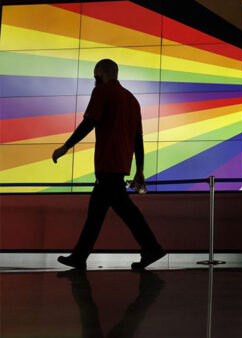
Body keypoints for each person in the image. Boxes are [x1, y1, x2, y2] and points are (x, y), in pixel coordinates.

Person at [52, 59, 165, 270]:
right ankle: (79, 256)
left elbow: (88, 123)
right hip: (121, 164)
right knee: (98, 212)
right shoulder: (132, 100)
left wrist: (66, 146)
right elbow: (138, 139)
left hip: (107, 164)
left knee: (122, 211)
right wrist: (140, 169)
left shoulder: (102, 91)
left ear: (100, 71)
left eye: (95, 73)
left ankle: (152, 247)